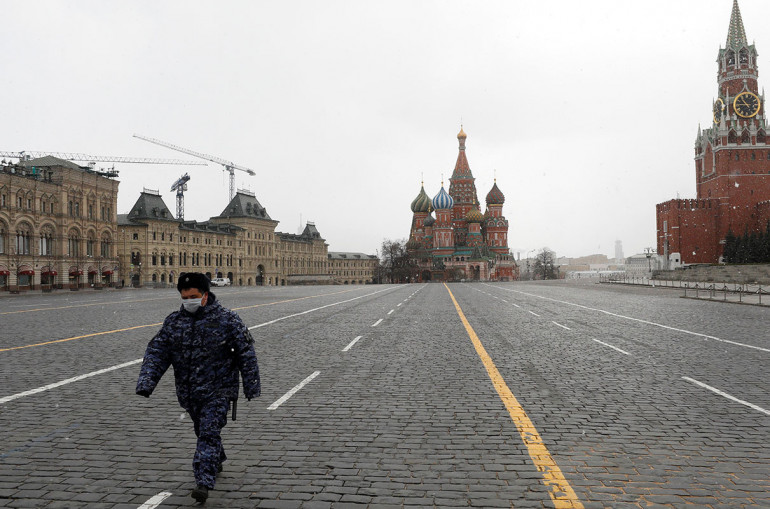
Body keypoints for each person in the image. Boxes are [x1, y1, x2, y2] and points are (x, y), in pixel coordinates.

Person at [136, 272, 260, 503]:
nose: (188, 301)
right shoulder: (174, 321)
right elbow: (157, 352)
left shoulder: (227, 320)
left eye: (193, 296)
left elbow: (246, 353)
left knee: (209, 432)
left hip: (219, 389)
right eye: (184, 297)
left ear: (205, 295)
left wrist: (251, 386)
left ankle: (203, 481)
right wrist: (146, 382)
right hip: (189, 392)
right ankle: (216, 457)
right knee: (203, 430)